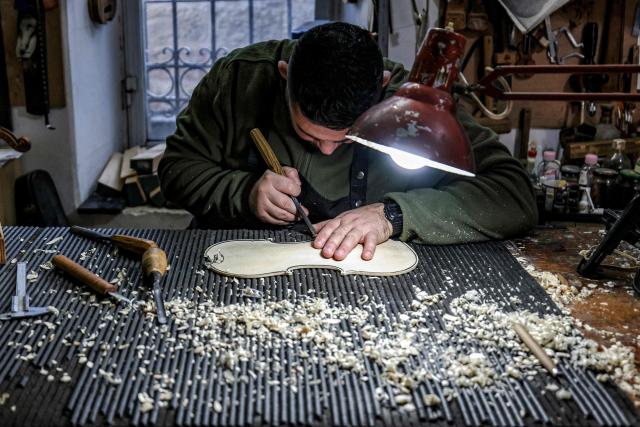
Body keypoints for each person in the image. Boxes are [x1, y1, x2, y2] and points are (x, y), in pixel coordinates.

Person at [158, 22, 537, 261]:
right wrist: (243, 192)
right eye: (309, 134)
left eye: (347, 139)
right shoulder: (239, 80)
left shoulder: (414, 105)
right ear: (284, 76)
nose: (325, 149)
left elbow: (513, 194)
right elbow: (175, 171)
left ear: (384, 87)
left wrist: (394, 215)